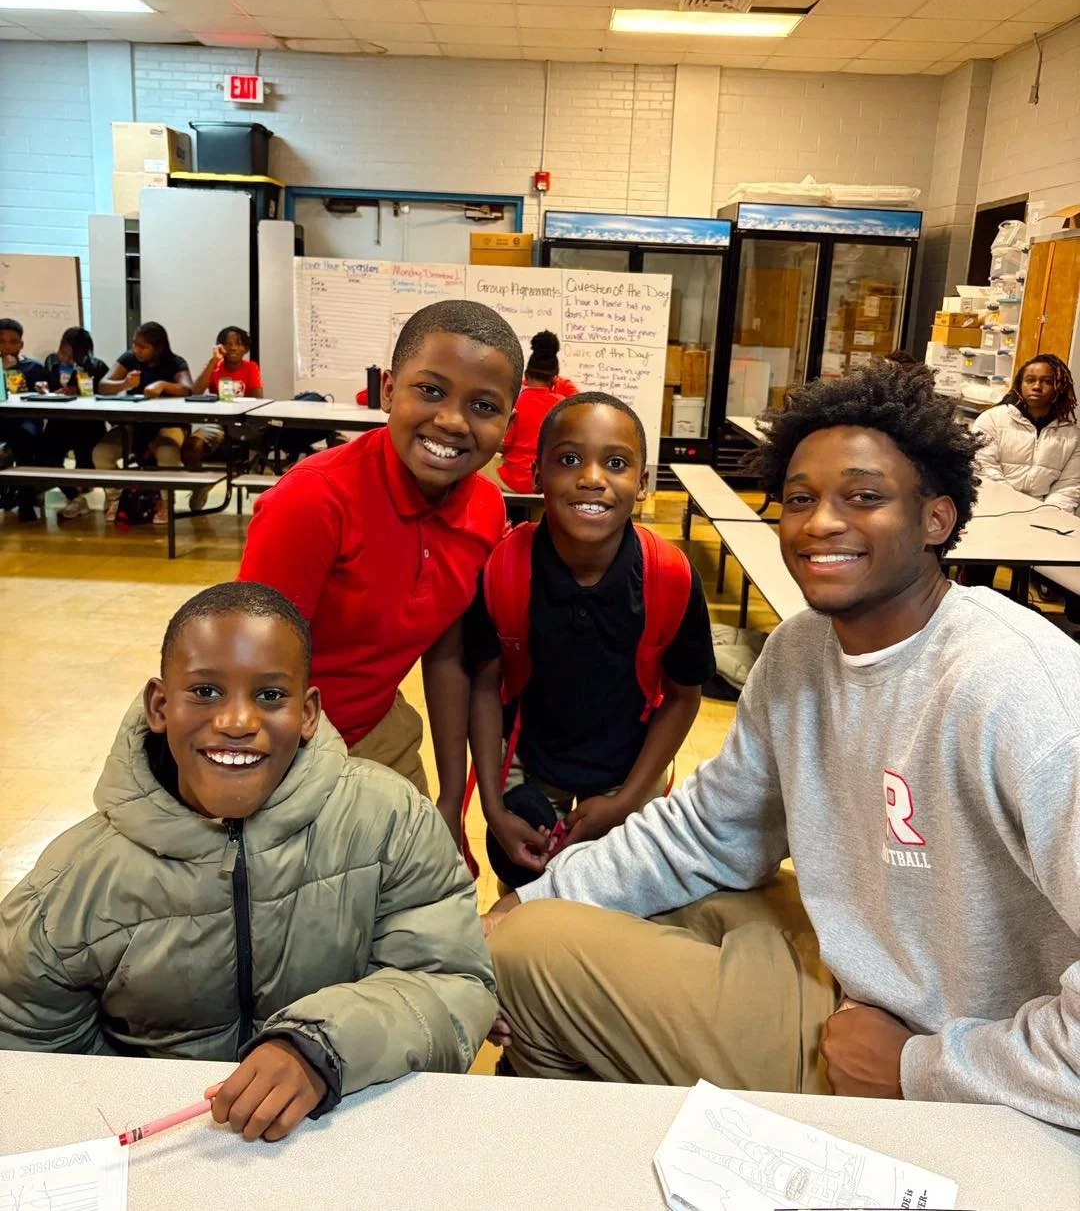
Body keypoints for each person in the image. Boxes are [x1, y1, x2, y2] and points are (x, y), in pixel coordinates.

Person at [486, 362, 1080, 1135]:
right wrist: (534, 894)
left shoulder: (1022, 695)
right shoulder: (805, 649)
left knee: (527, 959)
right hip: (863, 967)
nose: (819, 523)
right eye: (799, 499)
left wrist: (918, 1069)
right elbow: (711, 830)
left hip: (945, 1058)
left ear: (936, 520)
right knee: (603, 911)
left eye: (863, 497)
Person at [0, 582, 496, 1142]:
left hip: (346, 1130)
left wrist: (322, 1048)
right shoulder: (76, 878)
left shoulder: (390, 823)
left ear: (308, 713)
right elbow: (25, 1053)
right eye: (206, 691)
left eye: (269, 696)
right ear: (160, 706)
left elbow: (452, 981)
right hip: (163, 1155)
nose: (237, 720)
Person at [238, 300, 523, 841]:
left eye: (484, 405)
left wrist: (449, 801)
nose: (453, 421)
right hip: (278, 743)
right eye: (431, 390)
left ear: (510, 418)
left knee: (431, 883)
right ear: (389, 390)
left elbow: (444, 653)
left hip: (376, 727)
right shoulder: (313, 501)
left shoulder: (487, 510)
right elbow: (249, 677)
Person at [466, 391, 714, 885]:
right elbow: (484, 687)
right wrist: (493, 808)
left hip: (630, 768)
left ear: (642, 485)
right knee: (524, 880)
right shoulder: (502, 570)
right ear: (536, 474)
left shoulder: (671, 577)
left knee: (618, 889)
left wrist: (625, 801)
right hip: (532, 760)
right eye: (569, 459)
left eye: (616, 463)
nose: (592, 478)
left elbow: (683, 699)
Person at [94, 322, 194, 524]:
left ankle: (165, 503)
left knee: (168, 453)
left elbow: (188, 388)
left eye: (142, 346)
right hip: (134, 425)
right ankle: (115, 497)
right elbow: (103, 385)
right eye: (134, 344)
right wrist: (123, 384)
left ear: (158, 348)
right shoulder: (129, 359)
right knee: (101, 453)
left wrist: (163, 385)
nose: (136, 350)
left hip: (167, 425)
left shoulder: (174, 362)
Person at [971, 353, 1080, 512]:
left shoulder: (1072, 436)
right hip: (991, 509)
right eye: (1030, 380)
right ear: (1019, 385)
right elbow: (984, 469)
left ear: (1060, 388)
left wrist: (1049, 516)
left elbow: (1069, 486)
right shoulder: (991, 420)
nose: (1037, 386)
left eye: (1047, 382)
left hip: (1041, 517)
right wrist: (1013, 507)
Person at [182, 325, 264, 511]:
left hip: (243, 421)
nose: (233, 348)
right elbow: (196, 391)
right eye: (228, 344)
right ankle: (201, 484)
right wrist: (213, 361)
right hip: (217, 421)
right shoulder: (215, 366)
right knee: (191, 447)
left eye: (238, 344)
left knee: (261, 441)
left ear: (246, 348)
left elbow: (259, 398)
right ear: (220, 347)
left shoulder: (251, 367)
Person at [39, 326, 111, 521]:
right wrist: (43, 387)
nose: (66, 359)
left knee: (88, 462)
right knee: (48, 458)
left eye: (73, 355)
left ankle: (108, 498)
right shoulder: (52, 365)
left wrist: (79, 391)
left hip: (87, 424)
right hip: (59, 423)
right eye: (63, 352)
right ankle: (75, 497)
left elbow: (104, 393)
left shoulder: (97, 367)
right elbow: (47, 386)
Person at [485, 330, 565, 494]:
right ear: (554, 379)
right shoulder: (562, 405)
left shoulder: (517, 400)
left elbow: (505, 444)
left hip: (512, 480)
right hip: (544, 482)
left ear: (526, 375)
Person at [0, 316, 47, 522]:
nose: (7, 346)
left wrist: (42, 389)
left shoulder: (33, 367)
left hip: (24, 421)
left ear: (21, 344)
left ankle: (26, 501)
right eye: (1, 341)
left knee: (25, 440)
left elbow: (46, 394)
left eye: (12, 342)